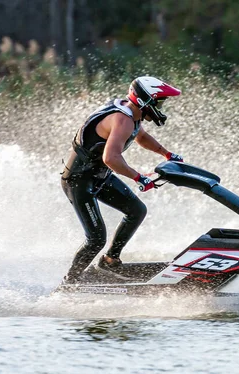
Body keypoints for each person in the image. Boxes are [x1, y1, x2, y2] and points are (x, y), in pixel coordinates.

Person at [60, 76, 184, 283]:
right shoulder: (122, 119)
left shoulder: (132, 114)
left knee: (137, 211)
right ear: (146, 100)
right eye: (159, 102)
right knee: (96, 239)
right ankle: (70, 282)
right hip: (79, 181)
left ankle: (109, 261)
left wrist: (167, 154)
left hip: (99, 177)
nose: (161, 107)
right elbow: (111, 158)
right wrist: (138, 177)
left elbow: (141, 137)